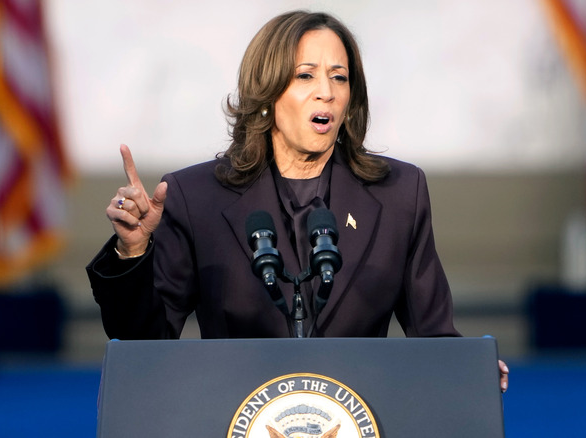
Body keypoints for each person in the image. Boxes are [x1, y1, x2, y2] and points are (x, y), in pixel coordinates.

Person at [86, 10, 508, 392]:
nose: (326, 91)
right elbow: (147, 345)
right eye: (306, 75)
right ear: (268, 92)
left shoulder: (399, 192)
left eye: (339, 77)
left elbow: (433, 335)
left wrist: (468, 369)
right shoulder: (196, 197)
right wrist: (133, 249)